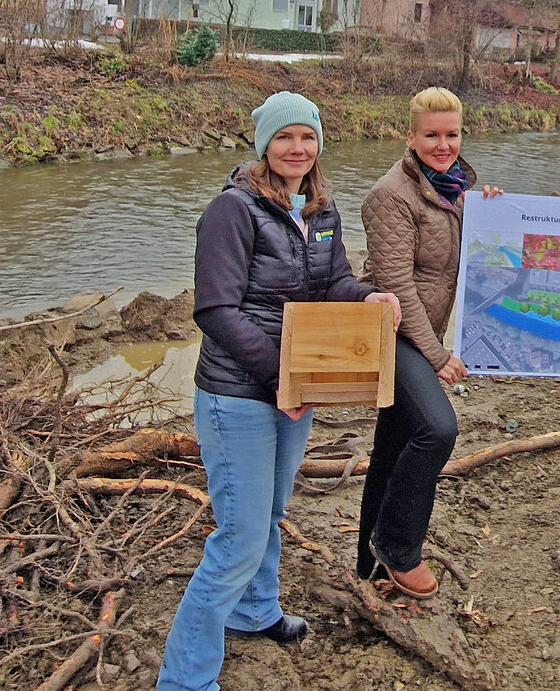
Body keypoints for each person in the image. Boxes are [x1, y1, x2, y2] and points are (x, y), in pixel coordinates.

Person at [158, 91, 401, 691]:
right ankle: (184, 679)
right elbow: (214, 310)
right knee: (237, 535)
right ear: (264, 144)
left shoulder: (320, 209)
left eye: (308, 137)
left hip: (292, 390)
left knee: (269, 512)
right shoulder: (231, 211)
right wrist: (278, 378)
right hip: (237, 395)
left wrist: (367, 296)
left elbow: (336, 280)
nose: (298, 148)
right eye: (286, 137)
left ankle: (254, 611)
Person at [357, 87, 500, 597]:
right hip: (389, 333)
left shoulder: (454, 189)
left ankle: (367, 568)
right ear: (411, 136)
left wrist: (493, 214)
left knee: (393, 447)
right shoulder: (390, 195)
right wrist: (437, 356)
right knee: (439, 430)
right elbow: (395, 287)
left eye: (452, 134)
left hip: (422, 335)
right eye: (432, 135)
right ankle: (398, 548)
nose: (444, 144)